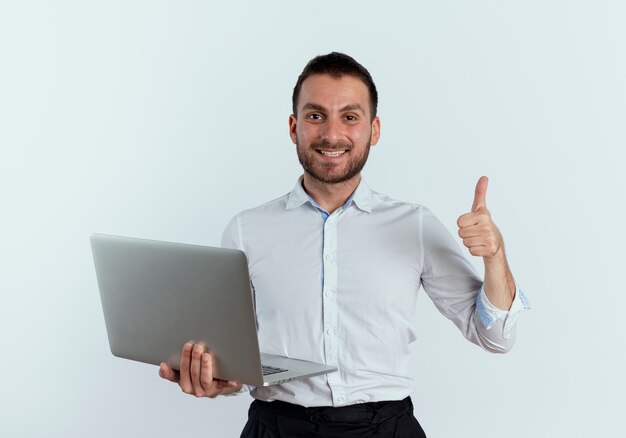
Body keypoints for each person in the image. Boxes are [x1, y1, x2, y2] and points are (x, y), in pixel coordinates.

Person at [158, 52, 529, 437]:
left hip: (386, 428)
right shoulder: (245, 230)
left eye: (350, 117)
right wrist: (219, 380)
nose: (332, 134)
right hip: (278, 426)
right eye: (315, 116)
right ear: (293, 127)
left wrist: (495, 256)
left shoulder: (415, 225)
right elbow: (233, 358)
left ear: (374, 130)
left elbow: (495, 336)